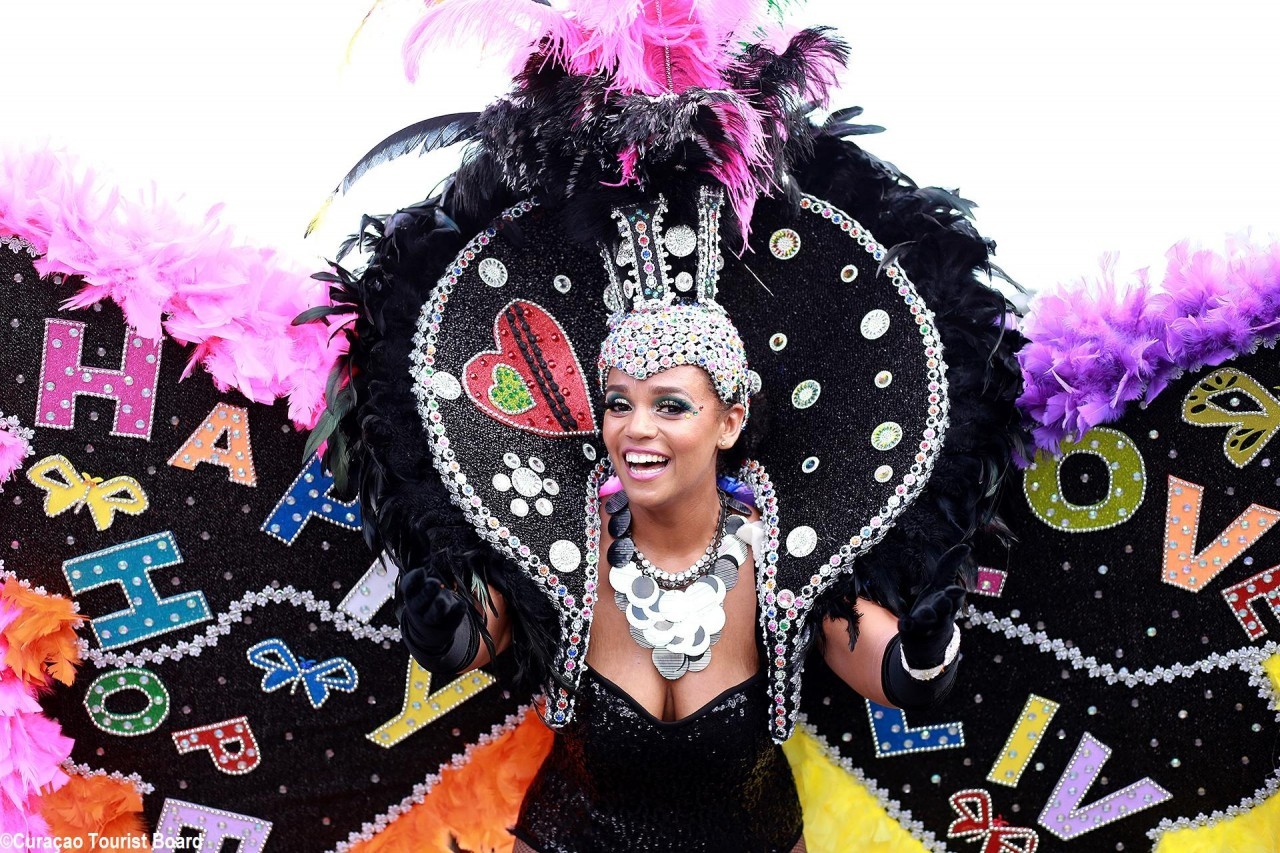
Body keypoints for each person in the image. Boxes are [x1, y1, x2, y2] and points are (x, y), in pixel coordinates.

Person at [312, 2, 1025, 849]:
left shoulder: (785, 544)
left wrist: (925, 656)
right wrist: (447, 629)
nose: (635, 429)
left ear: (730, 418)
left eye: (671, 405)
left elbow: (867, 652)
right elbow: (493, 626)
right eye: (619, 403)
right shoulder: (565, 532)